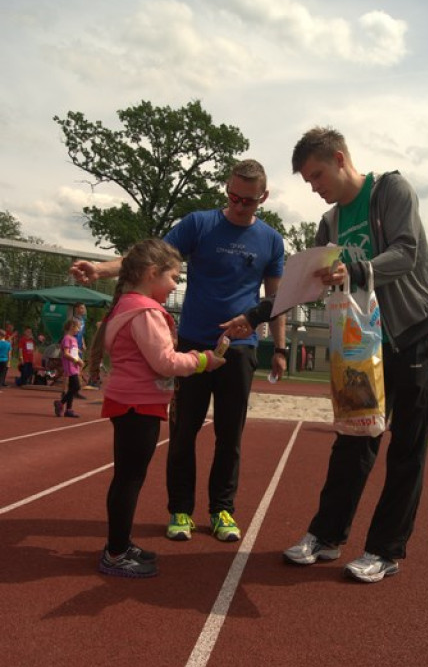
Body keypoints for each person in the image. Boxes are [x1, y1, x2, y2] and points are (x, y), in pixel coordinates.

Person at [229, 128, 428, 583]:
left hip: (419, 331)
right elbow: (306, 284)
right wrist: (256, 314)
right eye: (308, 181)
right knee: (353, 438)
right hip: (366, 342)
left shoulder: (390, 190)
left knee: (407, 446)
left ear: (339, 158)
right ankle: (326, 536)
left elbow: (406, 253)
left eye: (317, 175)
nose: (314, 187)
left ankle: (385, 550)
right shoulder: (329, 224)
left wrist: (357, 268)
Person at [69, 159, 287, 544]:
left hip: (240, 348)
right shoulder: (199, 224)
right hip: (190, 344)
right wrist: (101, 271)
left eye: (248, 201)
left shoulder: (270, 239)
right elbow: (147, 261)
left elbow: (277, 298)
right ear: (226, 189)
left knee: (229, 436)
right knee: (183, 432)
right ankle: (180, 510)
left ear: (263, 198)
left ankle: (222, 510)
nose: (239, 206)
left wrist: (282, 346)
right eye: (234, 196)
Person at [87, 239, 225, 578]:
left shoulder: (125, 305)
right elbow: (164, 362)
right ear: (152, 273)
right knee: (129, 479)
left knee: (127, 477)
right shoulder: (146, 311)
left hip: (129, 401)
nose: (176, 285)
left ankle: (119, 543)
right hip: (138, 404)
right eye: (174, 277)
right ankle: (116, 553)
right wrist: (203, 360)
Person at [53, 318, 84, 418]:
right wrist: (75, 360)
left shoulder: (74, 339)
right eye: (77, 327)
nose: (78, 330)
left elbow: (74, 352)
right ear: (72, 327)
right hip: (69, 366)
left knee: (72, 387)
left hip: (74, 365)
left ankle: (69, 409)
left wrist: (79, 360)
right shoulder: (67, 338)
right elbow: (66, 354)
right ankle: (60, 403)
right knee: (76, 387)